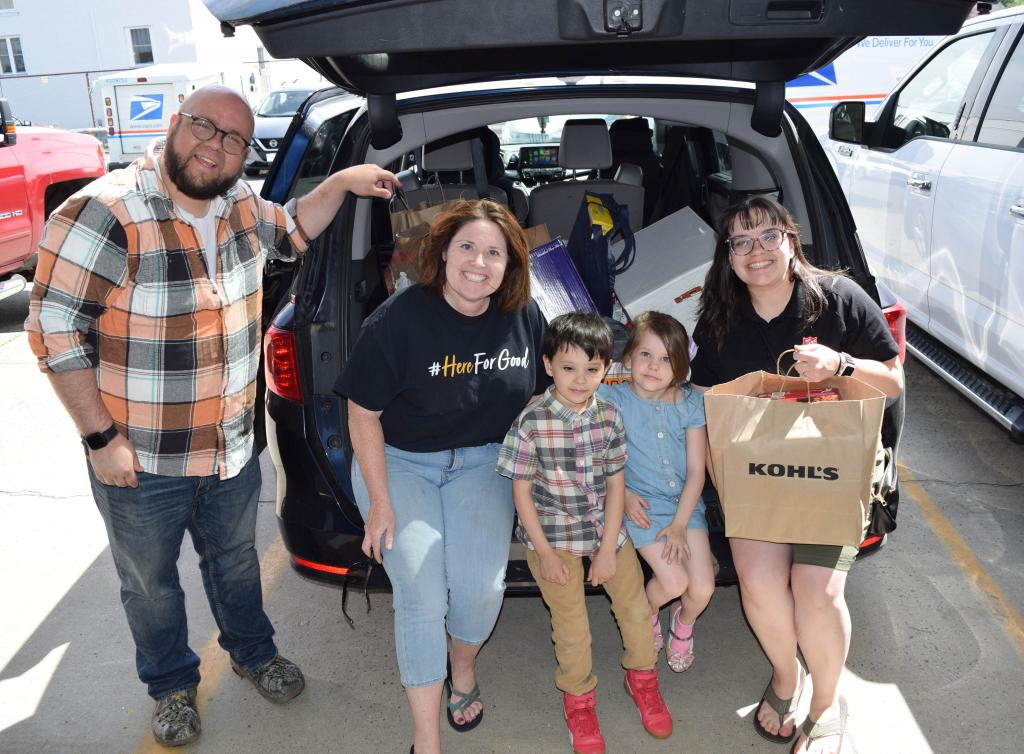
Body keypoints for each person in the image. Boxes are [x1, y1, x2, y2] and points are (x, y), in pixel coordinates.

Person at [24, 84, 398, 748]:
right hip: (140, 458)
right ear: (175, 124)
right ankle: (170, 684)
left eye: (234, 138)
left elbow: (296, 227)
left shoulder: (240, 206)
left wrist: (342, 179)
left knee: (234, 564)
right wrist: (100, 438)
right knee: (151, 585)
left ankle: (253, 653)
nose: (216, 146)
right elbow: (54, 333)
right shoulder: (106, 211)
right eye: (205, 126)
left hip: (230, 448)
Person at [689, 196, 904, 754]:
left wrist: (842, 365)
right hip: (758, 478)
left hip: (829, 477)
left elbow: (894, 384)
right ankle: (787, 675)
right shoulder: (718, 319)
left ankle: (827, 704)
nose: (756, 251)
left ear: (791, 240)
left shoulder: (839, 300)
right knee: (758, 587)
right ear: (728, 255)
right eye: (741, 241)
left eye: (767, 236)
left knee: (817, 597)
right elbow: (704, 402)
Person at [333, 199, 545, 754]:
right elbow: (363, 413)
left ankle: (463, 666)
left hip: (483, 463)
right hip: (401, 464)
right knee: (423, 595)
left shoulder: (524, 315)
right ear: (443, 253)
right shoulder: (399, 320)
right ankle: (427, 740)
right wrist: (379, 502)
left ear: (510, 265)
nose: (479, 262)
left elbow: (544, 397)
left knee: (480, 591)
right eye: (467, 248)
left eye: (494, 252)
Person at [497, 312, 673, 754]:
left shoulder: (609, 416)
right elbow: (521, 494)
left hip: (606, 533)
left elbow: (617, 484)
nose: (580, 379)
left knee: (634, 610)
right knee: (572, 626)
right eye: (569, 367)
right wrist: (545, 553)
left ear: (607, 369)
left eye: (592, 369)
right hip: (550, 540)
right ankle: (578, 701)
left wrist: (610, 548)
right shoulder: (531, 421)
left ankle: (643, 680)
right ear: (548, 365)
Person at [598, 311, 714, 674]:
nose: (653, 366)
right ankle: (646, 615)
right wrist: (623, 496)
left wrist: (681, 524)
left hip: (684, 509)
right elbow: (594, 453)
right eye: (645, 354)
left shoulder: (690, 405)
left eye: (666, 359)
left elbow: (697, 471)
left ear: (680, 368)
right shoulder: (611, 400)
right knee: (674, 579)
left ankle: (683, 624)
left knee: (702, 590)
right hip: (640, 505)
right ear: (628, 358)